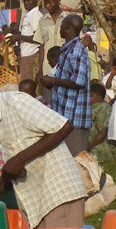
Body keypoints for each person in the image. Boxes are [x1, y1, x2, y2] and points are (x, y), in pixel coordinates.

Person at [0, 68, 87, 228]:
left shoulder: (16, 102)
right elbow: (10, 175)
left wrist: (19, 159)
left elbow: (63, 126)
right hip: (39, 204)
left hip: (58, 195)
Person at [43, 14, 91, 156]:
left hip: (75, 116)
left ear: (69, 28)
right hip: (65, 114)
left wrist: (53, 81)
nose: (60, 28)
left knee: (77, 160)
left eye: (62, 25)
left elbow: (78, 81)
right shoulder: (68, 49)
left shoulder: (76, 50)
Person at [16, 0, 43, 82]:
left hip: (30, 54)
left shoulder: (35, 15)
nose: (26, 3)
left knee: (27, 85)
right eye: (25, 1)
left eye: (29, 0)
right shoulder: (29, 14)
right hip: (26, 54)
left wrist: (19, 37)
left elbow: (38, 37)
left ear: (36, 0)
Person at [87, 82, 116, 163]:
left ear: (99, 96)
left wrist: (89, 148)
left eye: (91, 96)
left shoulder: (103, 108)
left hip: (100, 150)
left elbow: (102, 133)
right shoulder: (91, 108)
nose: (88, 98)